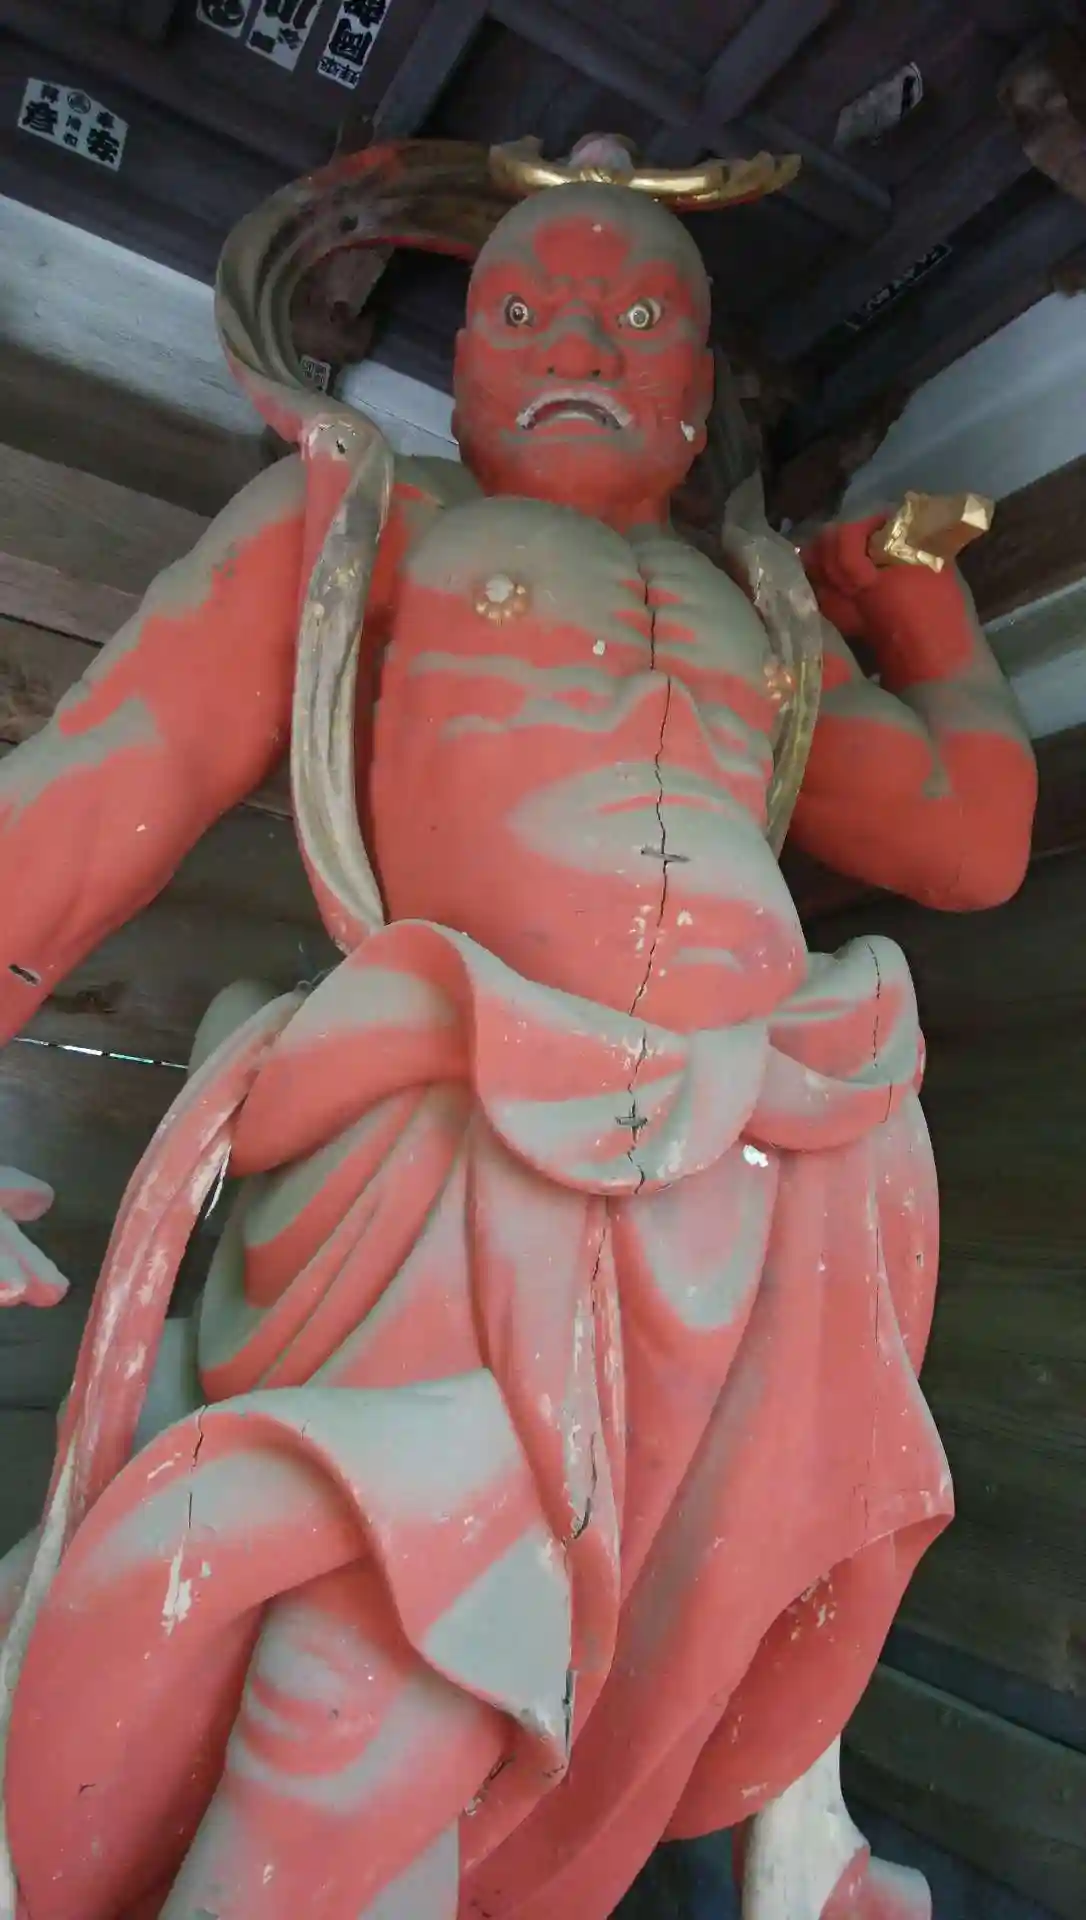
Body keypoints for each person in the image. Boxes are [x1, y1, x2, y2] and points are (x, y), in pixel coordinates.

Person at [0, 155, 1036, 1920]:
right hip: (454, 1124)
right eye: (526, 311)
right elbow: (112, 769)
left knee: (717, 1576)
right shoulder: (371, 522)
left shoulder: (755, 623)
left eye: (637, 319)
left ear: (695, 396)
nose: (580, 345)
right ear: (462, 369)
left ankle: (793, 1840)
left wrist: (906, 595)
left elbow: (967, 838)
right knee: (385, 1633)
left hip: (757, 1151)